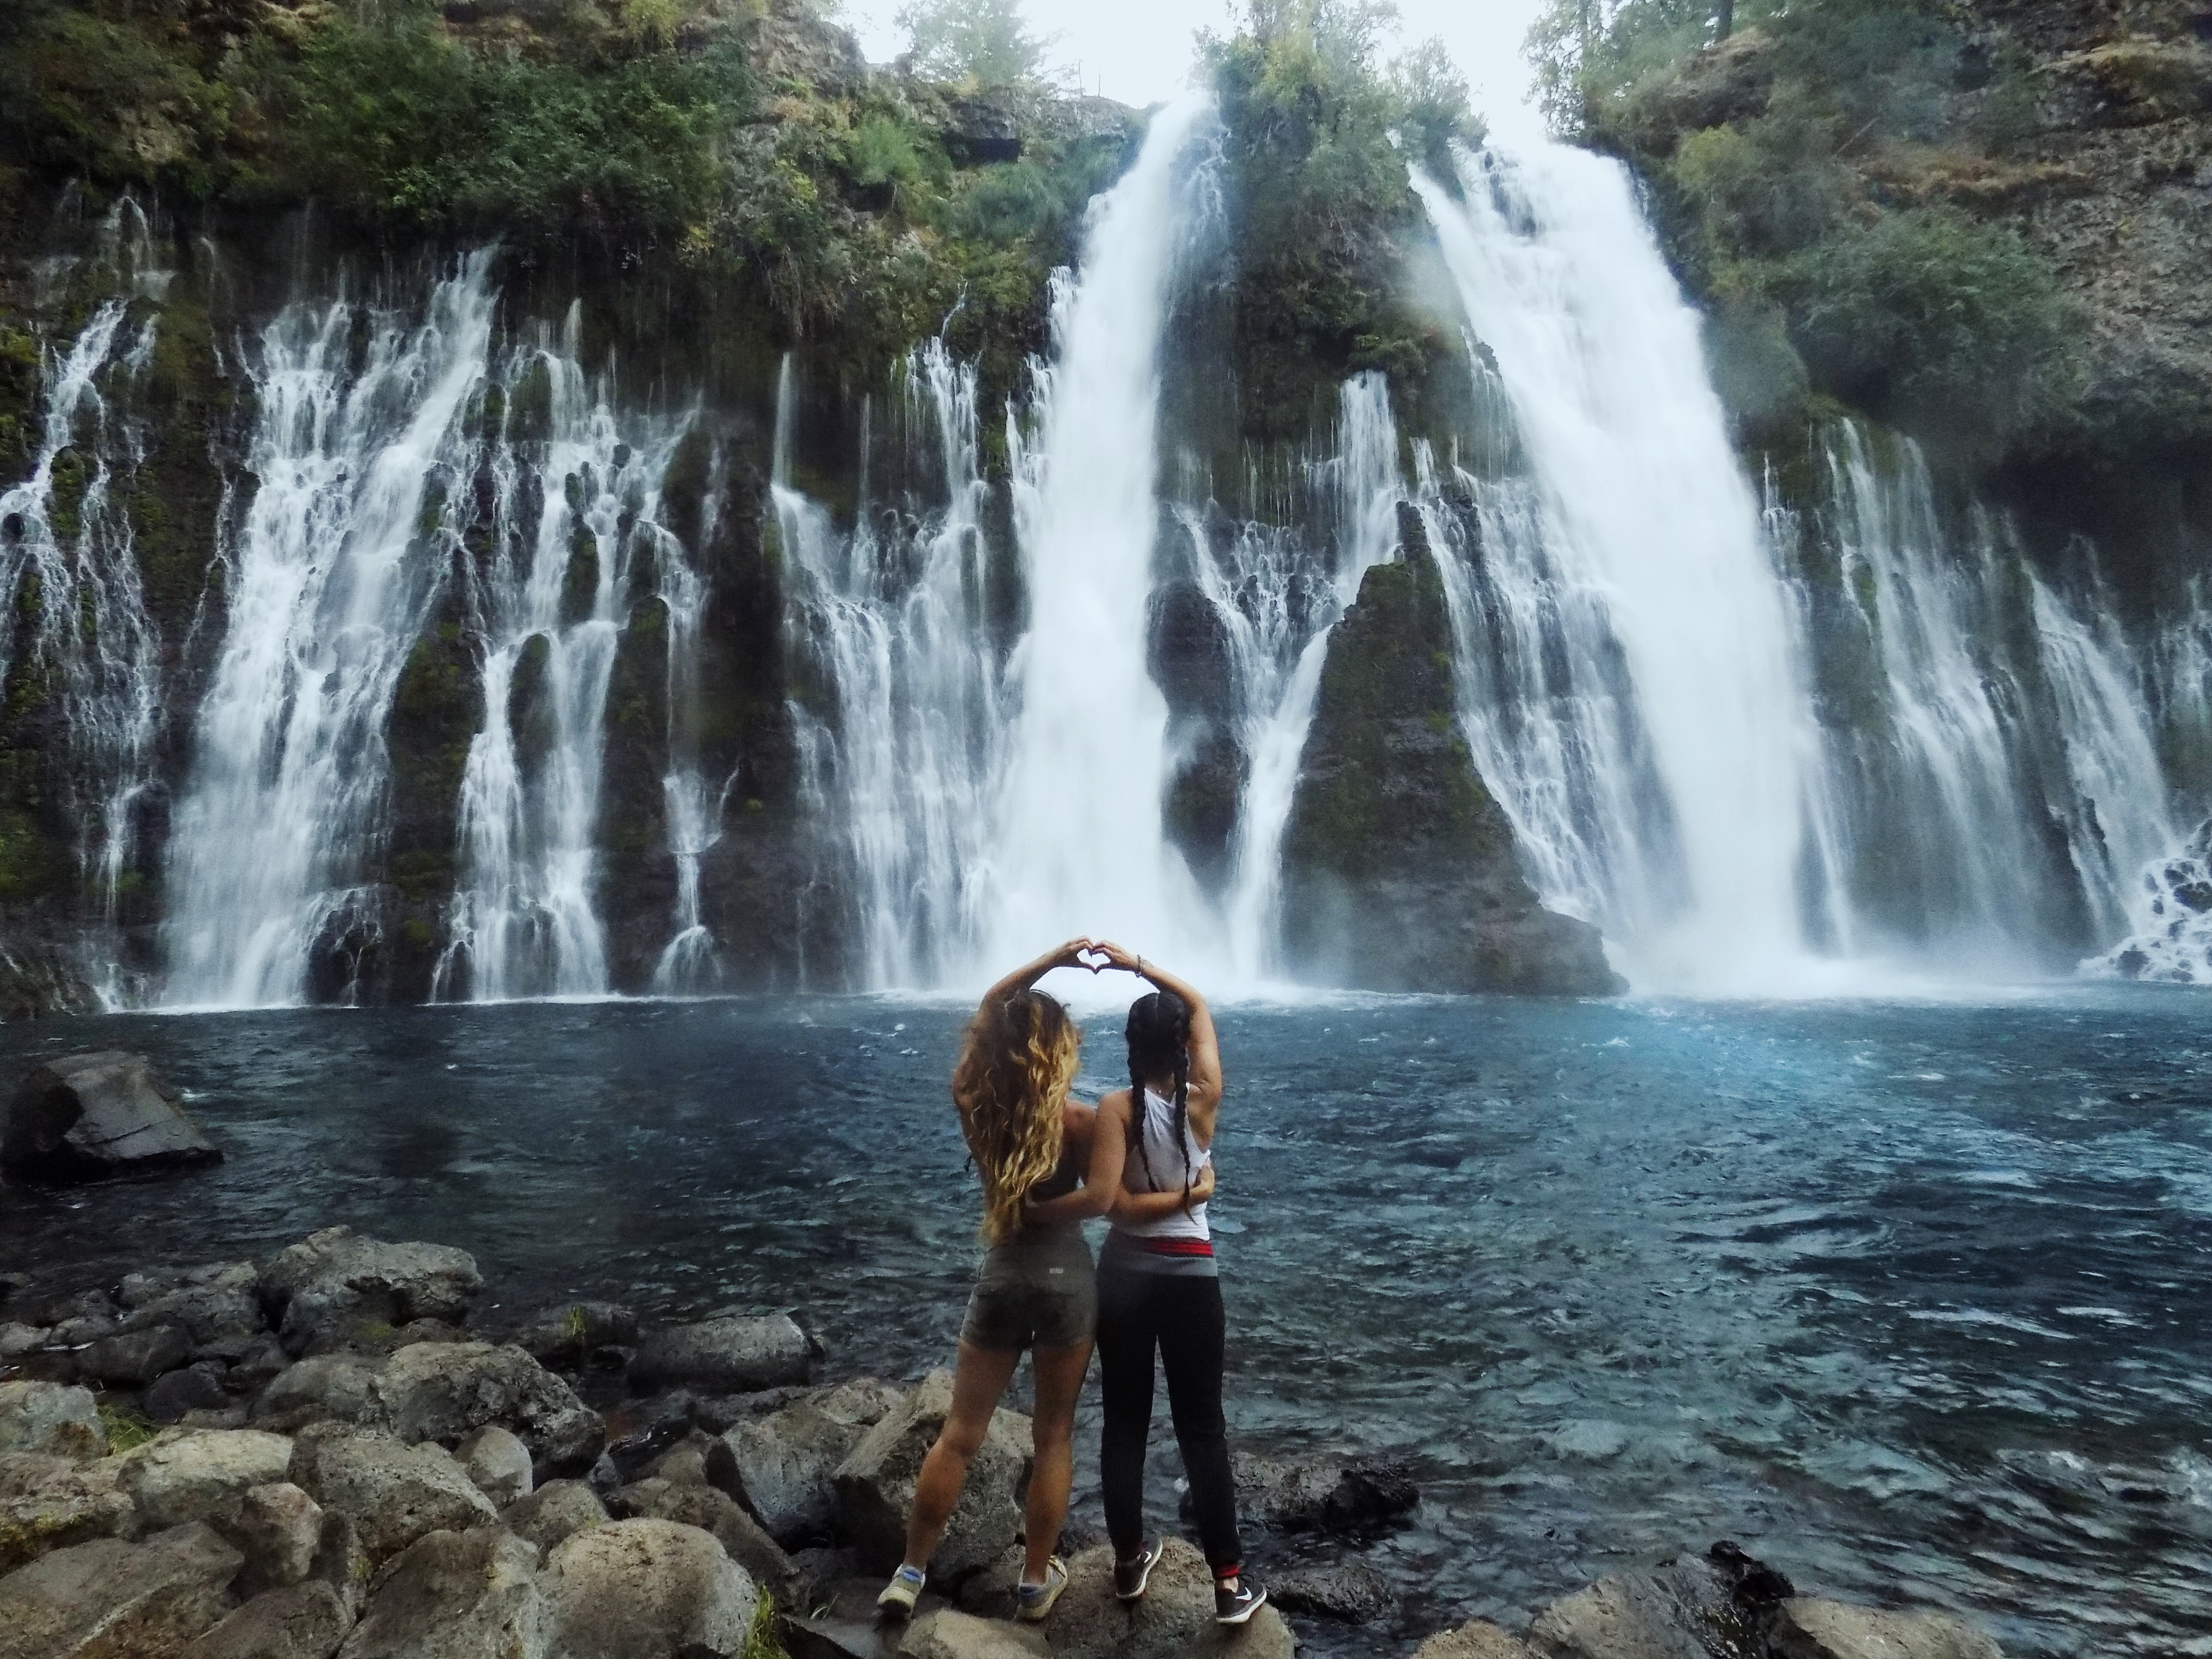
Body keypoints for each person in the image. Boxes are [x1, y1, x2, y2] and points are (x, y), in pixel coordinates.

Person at [876, 938, 1212, 1624]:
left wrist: (1051, 961)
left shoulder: (975, 1102)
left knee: (961, 1433)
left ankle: (909, 1574)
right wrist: (1191, 1195)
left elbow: (985, 1008)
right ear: (1059, 1053)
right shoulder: (1086, 1122)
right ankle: (1034, 1582)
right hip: (1067, 1282)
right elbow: (1103, 1200)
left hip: (1002, 1272)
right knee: (1053, 1435)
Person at [1087, 941, 1267, 1626]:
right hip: (1194, 1276)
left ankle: (1129, 1562)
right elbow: (1197, 1003)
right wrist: (1139, 965)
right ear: (1182, 1046)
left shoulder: (1114, 1110)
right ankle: (1228, 1585)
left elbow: (1116, 1210)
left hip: (1125, 1278)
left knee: (1125, 1423)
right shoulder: (1204, 1101)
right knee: (1203, 1429)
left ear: (1130, 1046)